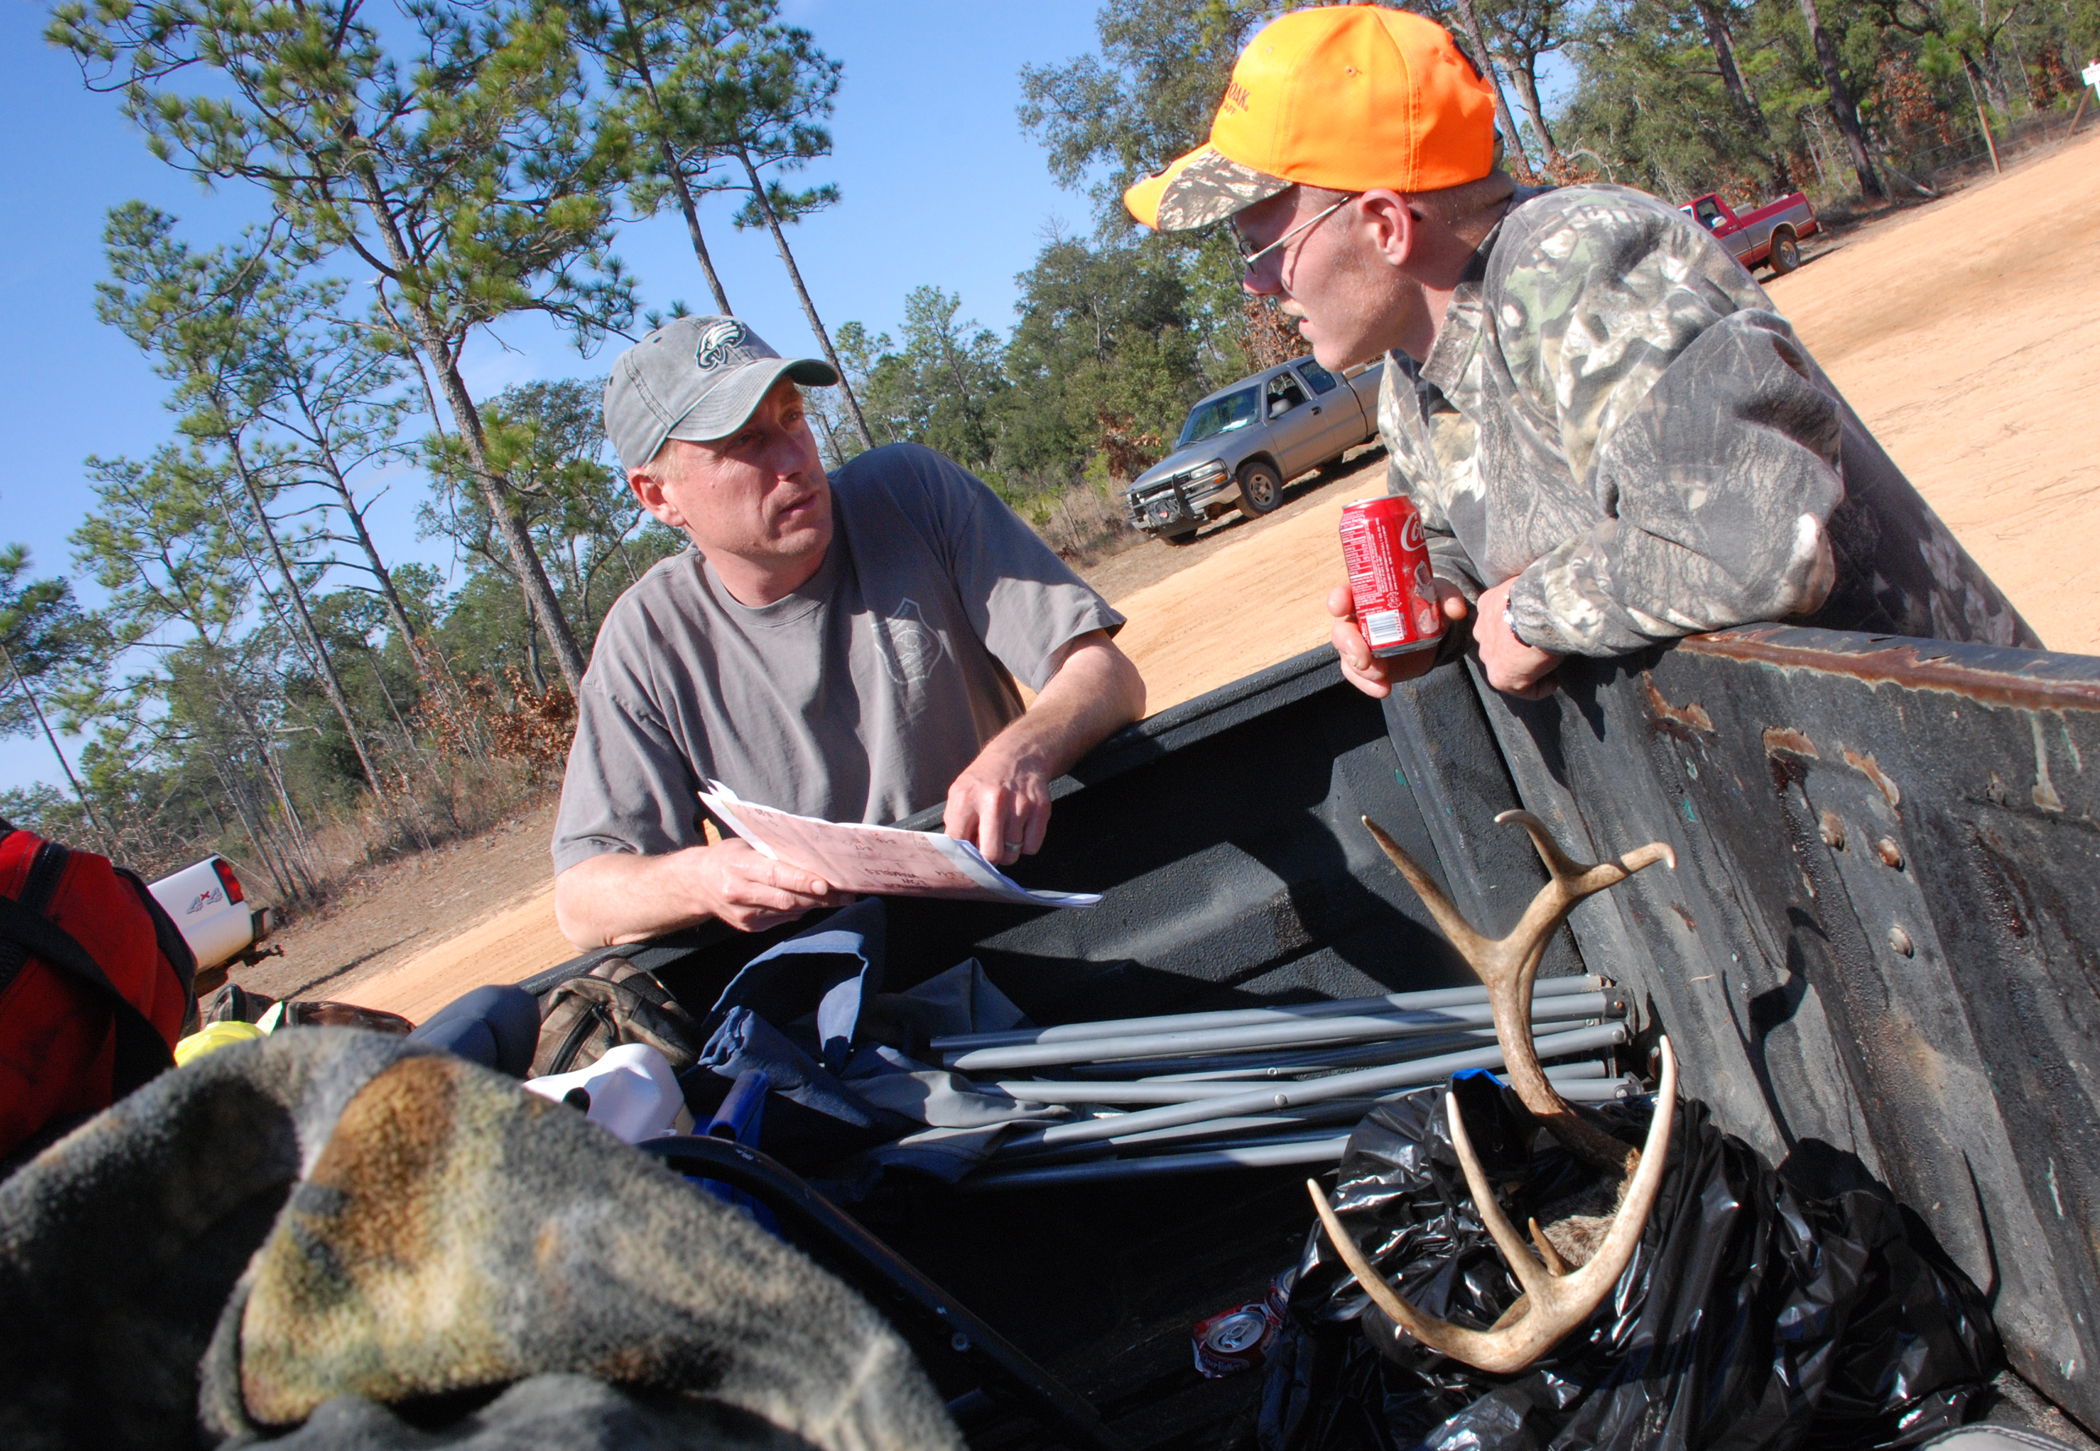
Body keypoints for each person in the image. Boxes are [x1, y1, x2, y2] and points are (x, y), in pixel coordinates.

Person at [1122, 6, 2036, 703]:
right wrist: (1420, 595)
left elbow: (1752, 543)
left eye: (1261, 245)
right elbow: (1451, 530)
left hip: (1969, 768)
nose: (1258, 285)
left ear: (1385, 224)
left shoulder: (1579, 261)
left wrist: (1530, 610)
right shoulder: (1413, 368)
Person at [552, 317, 1145, 946]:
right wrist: (703, 877)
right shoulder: (647, 638)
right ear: (657, 496)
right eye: (745, 440)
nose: (794, 459)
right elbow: (582, 900)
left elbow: (1107, 674)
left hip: (1023, 915)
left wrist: (1020, 752)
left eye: (792, 417)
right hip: (847, 979)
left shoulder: (910, 495)